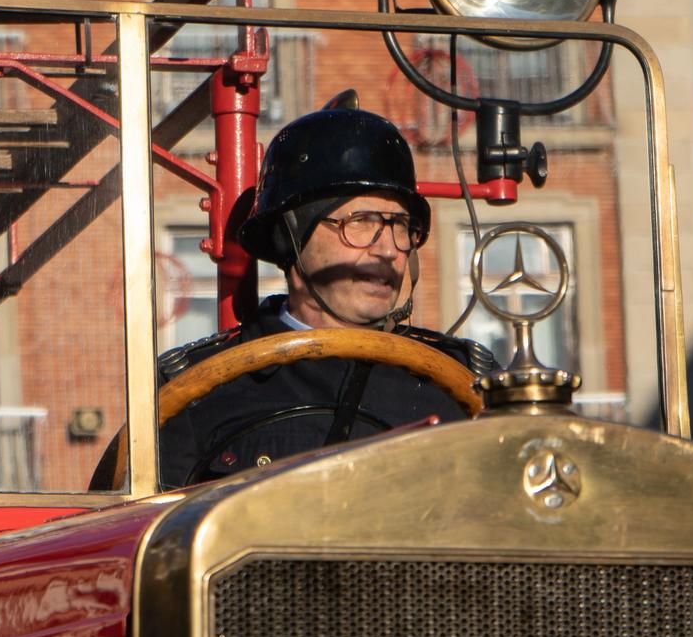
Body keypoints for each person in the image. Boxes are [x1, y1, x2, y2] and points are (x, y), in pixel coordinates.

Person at [156, 96, 497, 488]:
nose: (388, 249)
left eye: (401, 226)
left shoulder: (468, 382)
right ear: (290, 239)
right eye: (361, 221)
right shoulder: (192, 390)